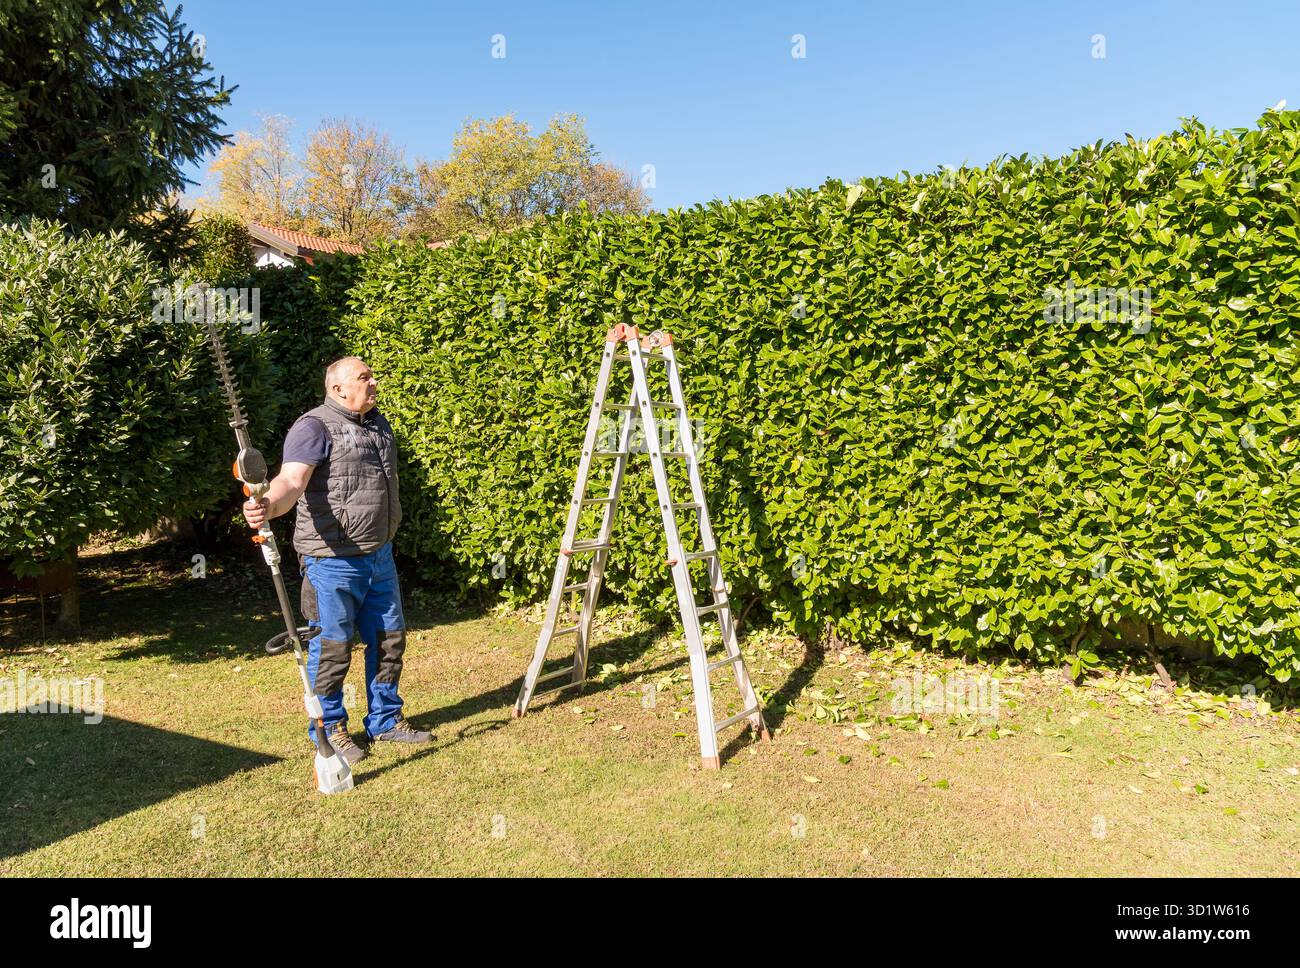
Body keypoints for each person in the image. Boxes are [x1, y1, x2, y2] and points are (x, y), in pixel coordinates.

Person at [242, 356, 431, 764]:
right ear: (338, 388)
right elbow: (292, 480)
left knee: (388, 641)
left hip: (378, 555)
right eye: (364, 377)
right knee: (332, 647)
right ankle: (329, 729)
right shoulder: (313, 427)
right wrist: (268, 505)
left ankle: (385, 720)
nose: (374, 381)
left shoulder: (377, 423)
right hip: (331, 562)